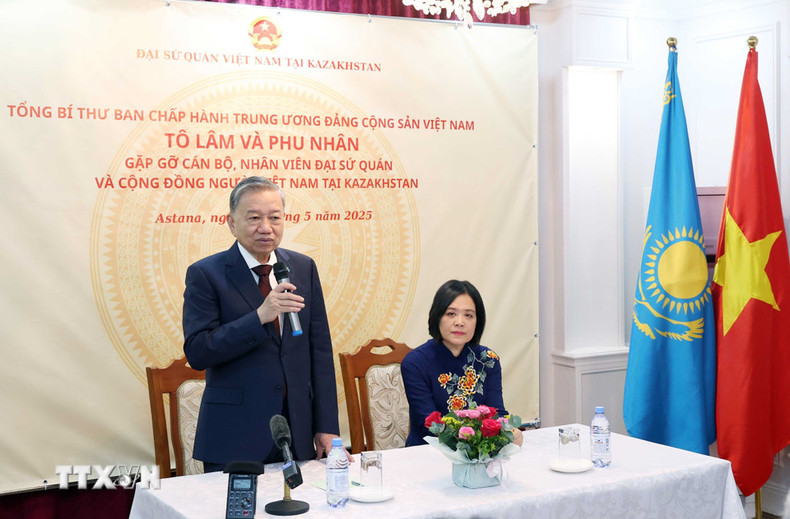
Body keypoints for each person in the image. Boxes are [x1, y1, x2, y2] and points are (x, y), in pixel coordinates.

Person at [182, 176, 345, 471]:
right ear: (231, 223)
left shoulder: (302, 267)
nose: (265, 227)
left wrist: (326, 426)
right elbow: (198, 351)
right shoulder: (206, 274)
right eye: (254, 218)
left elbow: (319, 352)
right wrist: (258, 317)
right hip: (235, 433)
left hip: (297, 430)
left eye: (274, 217)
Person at [400, 279, 523, 447]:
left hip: (479, 453)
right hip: (427, 453)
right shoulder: (415, 363)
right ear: (437, 317)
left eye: (468, 315)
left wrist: (509, 430)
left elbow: (497, 413)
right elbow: (429, 426)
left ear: (477, 321)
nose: (460, 322)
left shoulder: (488, 360)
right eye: (451, 314)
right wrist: (476, 436)